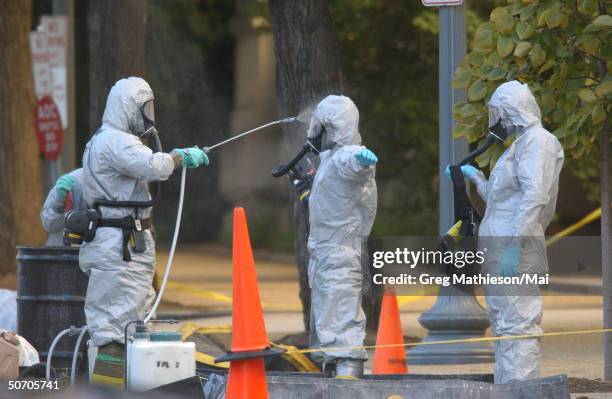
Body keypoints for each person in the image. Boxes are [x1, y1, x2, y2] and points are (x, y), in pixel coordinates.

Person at [81, 77, 209, 386]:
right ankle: (106, 391)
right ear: (127, 107)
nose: (147, 116)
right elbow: (155, 166)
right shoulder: (116, 141)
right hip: (119, 249)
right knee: (114, 329)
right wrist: (180, 157)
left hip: (121, 246)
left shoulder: (104, 139)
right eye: (144, 108)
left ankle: (119, 389)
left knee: (127, 324)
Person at [448, 80, 564, 383]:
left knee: (518, 326)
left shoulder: (539, 142)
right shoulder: (520, 146)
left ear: (510, 112)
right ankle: (506, 389)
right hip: (501, 248)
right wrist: (475, 178)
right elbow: (504, 203)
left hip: (516, 251)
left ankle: (519, 391)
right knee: (503, 325)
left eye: (498, 114)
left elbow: (535, 197)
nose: (495, 122)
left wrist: (516, 245)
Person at [306, 95, 378, 379]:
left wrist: (362, 161)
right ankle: (332, 380)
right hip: (326, 257)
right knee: (329, 330)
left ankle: (348, 387)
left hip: (339, 258)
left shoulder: (346, 156)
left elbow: (356, 165)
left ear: (333, 128)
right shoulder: (328, 159)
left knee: (344, 333)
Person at [40, 169, 86, 246]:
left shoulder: (111, 185)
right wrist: (59, 202)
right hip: (62, 253)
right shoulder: (74, 181)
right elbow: (49, 224)